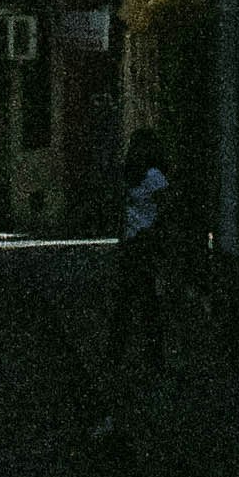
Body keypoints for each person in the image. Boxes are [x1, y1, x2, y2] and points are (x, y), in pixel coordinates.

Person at [108, 137, 172, 370]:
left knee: (126, 300)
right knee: (148, 302)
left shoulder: (130, 177)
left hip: (132, 243)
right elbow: (165, 206)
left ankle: (116, 355)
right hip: (144, 242)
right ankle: (154, 357)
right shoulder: (154, 175)